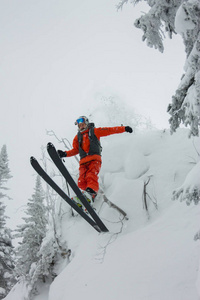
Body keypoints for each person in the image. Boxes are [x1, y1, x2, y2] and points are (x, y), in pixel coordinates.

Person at [58, 116, 133, 203]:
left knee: (91, 175)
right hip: (83, 163)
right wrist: (65, 154)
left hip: (94, 159)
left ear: (86, 124)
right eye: (79, 126)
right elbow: (75, 150)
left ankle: (91, 193)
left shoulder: (94, 131)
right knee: (81, 179)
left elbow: (109, 130)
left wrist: (124, 128)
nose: (81, 127)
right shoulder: (77, 137)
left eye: (83, 124)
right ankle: (82, 197)